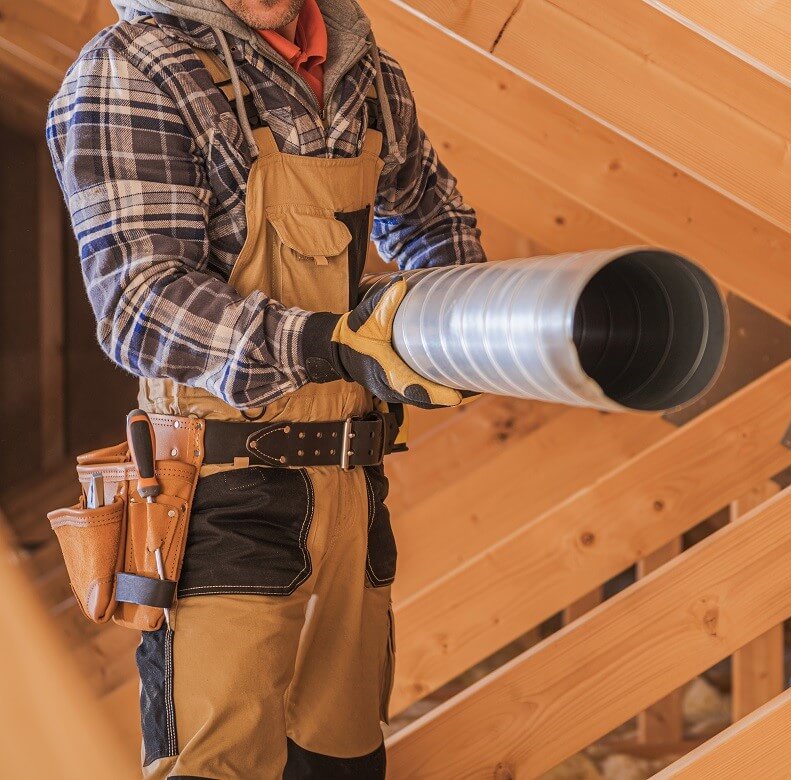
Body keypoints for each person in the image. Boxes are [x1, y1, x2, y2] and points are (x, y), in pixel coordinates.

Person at [46, 0, 485, 776]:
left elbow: (431, 215)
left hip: (354, 484)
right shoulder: (135, 67)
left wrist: (460, 327)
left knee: (342, 760)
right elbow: (139, 304)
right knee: (219, 765)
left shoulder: (365, 73)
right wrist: (328, 344)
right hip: (221, 496)